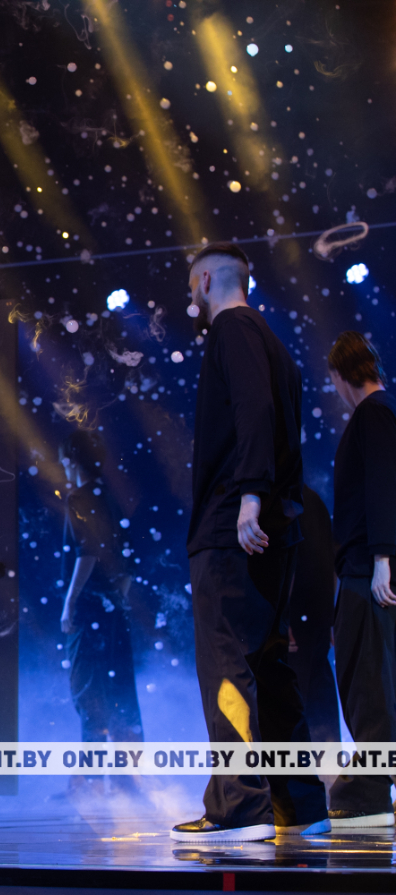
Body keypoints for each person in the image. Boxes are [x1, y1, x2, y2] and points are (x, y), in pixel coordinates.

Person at [171, 242, 328, 843]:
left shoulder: (232, 329)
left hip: (233, 524)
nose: (190, 297)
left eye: (192, 285)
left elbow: (253, 410)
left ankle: (239, 806)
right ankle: (299, 801)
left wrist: (250, 495)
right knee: (268, 661)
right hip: (276, 526)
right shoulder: (272, 342)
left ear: (207, 280)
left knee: (226, 661)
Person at [325, 332, 396, 829]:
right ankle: (369, 787)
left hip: (368, 569)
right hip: (364, 567)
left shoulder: (374, 413)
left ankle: (367, 791)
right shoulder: (382, 412)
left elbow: (383, 486)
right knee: (369, 675)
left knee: (366, 677)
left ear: (340, 375)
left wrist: (382, 560)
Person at [57, 430, 143, 795]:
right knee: (118, 692)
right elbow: (128, 560)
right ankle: (125, 782)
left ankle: (90, 783)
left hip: (91, 610)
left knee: (88, 692)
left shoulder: (80, 498)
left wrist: (71, 601)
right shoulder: (110, 498)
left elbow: (86, 551)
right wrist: (116, 598)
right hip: (112, 611)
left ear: (71, 460)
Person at [287, 486, 340, 745]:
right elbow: (333, 558)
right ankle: (328, 766)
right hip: (316, 618)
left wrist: (281, 616)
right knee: (317, 695)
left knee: (295, 703)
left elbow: (283, 561)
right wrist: (331, 616)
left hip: (296, 622)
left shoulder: (283, 499)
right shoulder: (312, 498)